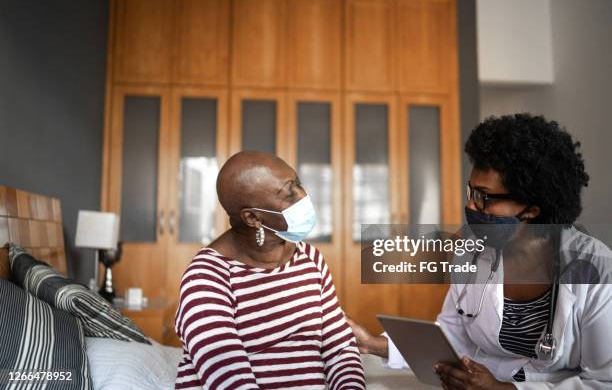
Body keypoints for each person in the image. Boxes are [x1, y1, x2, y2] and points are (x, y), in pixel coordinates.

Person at [348, 114, 612, 389]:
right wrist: (373, 344)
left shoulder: (595, 269)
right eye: (470, 192)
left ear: (533, 208)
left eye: (483, 197)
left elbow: (605, 381)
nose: (471, 207)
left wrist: (503, 389)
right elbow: (451, 338)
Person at [174, 151, 366, 390]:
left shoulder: (311, 259)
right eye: (289, 193)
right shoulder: (206, 277)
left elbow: (340, 349)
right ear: (253, 217)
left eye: (298, 184)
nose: (303, 196)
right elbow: (228, 377)